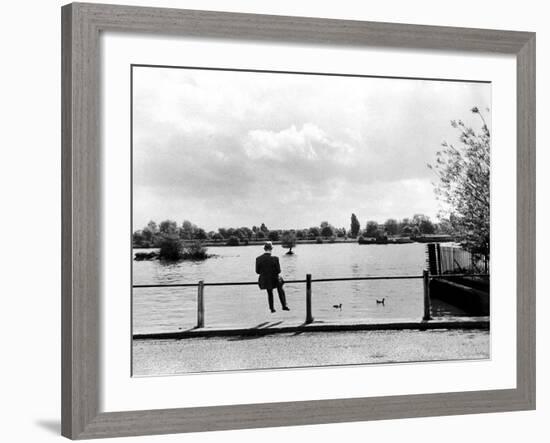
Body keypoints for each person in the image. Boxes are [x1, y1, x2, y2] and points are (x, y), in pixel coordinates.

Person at [255, 241, 289, 313]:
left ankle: (272, 308)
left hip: (264, 281)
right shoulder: (275, 258)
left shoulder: (258, 259)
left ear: (264, 249)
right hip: (274, 280)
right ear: (271, 249)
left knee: (269, 292)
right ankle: (284, 305)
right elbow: (278, 271)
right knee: (280, 287)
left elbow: (257, 271)